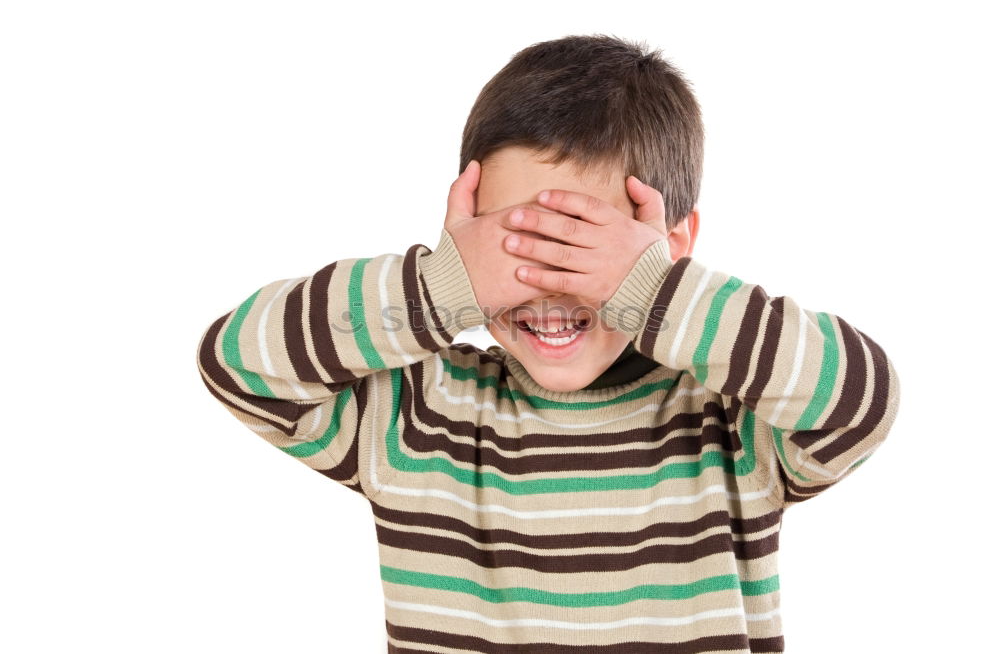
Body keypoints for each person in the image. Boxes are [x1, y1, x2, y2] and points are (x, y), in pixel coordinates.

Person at [195, 33, 900, 653]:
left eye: (588, 251)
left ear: (672, 248)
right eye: (517, 246)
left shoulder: (734, 422)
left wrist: (654, 291)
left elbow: (861, 402)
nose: (548, 287)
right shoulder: (420, 415)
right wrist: (441, 286)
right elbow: (237, 363)